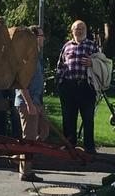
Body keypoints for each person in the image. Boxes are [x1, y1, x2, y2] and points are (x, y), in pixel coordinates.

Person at [56, 20, 100, 153]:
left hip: (86, 86)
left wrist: (92, 63)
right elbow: (60, 65)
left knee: (88, 118)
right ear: (72, 31)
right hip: (69, 86)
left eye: (82, 28)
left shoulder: (92, 45)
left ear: (86, 31)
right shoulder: (66, 46)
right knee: (68, 117)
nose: (79, 31)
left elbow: (101, 62)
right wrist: (60, 83)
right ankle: (69, 145)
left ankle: (89, 147)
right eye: (77, 28)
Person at [15, 26, 47, 181]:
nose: (43, 38)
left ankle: (18, 156)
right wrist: (29, 104)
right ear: (34, 38)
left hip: (36, 101)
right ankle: (26, 171)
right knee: (29, 137)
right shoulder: (27, 56)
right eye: (41, 35)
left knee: (44, 131)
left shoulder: (36, 56)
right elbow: (22, 83)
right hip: (27, 102)